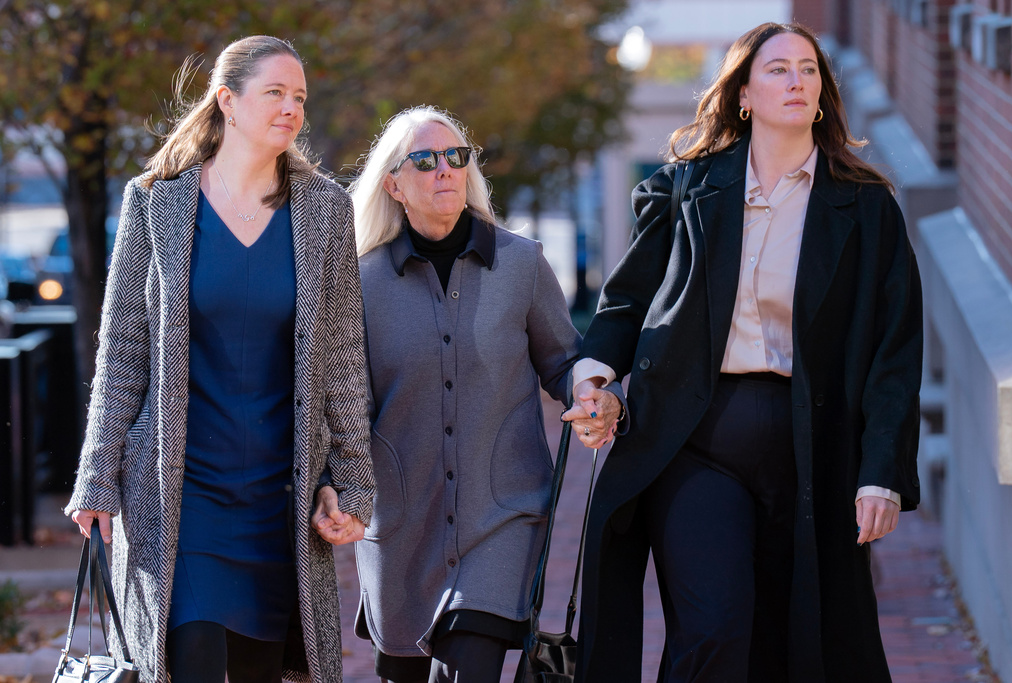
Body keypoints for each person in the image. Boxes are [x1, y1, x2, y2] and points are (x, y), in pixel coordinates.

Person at [564, 22, 923, 683]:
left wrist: (882, 472)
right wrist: (593, 378)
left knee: (796, 642)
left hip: (814, 446)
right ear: (744, 95)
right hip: (695, 441)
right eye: (778, 69)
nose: (796, 81)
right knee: (714, 629)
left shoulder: (866, 207)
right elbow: (625, 303)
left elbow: (894, 353)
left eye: (808, 70)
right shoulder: (688, 188)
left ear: (822, 95)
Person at [64, 35, 374, 683]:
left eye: (299, 97)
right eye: (275, 93)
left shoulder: (324, 211)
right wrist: (97, 474)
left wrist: (353, 481)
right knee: (194, 655)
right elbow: (121, 352)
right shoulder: (157, 203)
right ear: (228, 102)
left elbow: (342, 357)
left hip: (274, 498)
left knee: (259, 670)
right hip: (180, 492)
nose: (291, 108)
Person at [337, 105, 621, 683]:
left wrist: (591, 393)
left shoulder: (521, 263)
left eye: (455, 157)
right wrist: (335, 489)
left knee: (471, 665)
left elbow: (563, 360)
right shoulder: (358, 281)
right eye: (425, 160)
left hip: (503, 513)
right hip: (398, 524)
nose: (444, 170)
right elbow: (343, 403)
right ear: (394, 183)